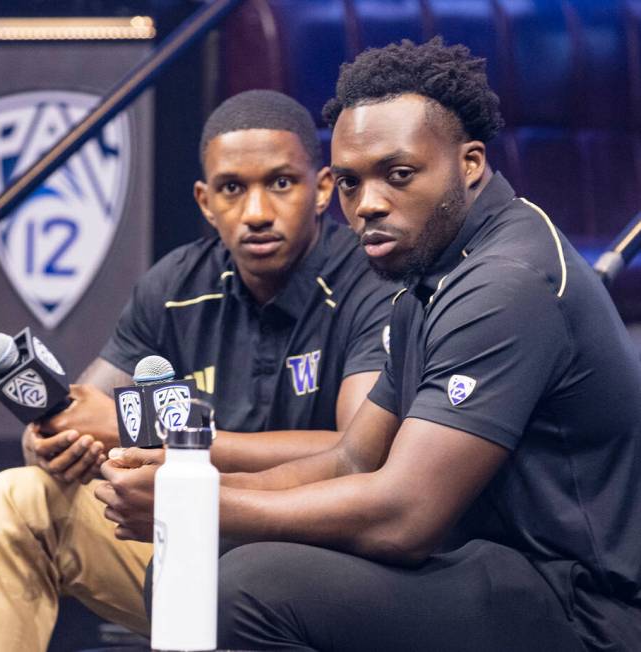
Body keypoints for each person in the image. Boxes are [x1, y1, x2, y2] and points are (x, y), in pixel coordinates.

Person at [97, 39, 641, 651]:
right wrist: (188, 485)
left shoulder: (505, 282)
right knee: (189, 568)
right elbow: (352, 460)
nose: (369, 205)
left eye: (398, 174)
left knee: (240, 586)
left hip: (583, 607)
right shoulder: (431, 273)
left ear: (470, 163)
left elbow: (404, 517)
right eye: (352, 183)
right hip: (495, 568)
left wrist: (199, 505)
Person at [0, 89, 397, 652]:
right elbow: (89, 408)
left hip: (309, 563)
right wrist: (52, 442)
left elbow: (361, 454)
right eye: (233, 188)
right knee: (20, 496)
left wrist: (164, 436)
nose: (256, 212)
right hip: (185, 545)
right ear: (206, 202)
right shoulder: (175, 285)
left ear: (323, 188)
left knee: (248, 579)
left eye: (280, 183)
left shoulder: (371, 282)